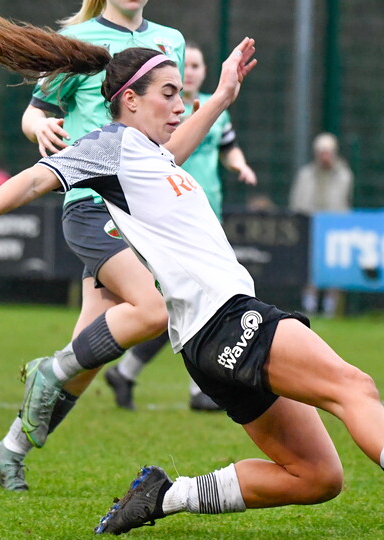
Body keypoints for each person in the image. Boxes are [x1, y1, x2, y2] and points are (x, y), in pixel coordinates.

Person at [0, 7, 384, 537]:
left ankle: (164, 496)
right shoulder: (110, 146)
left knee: (317, 477)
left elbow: (178, 145)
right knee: (353, 386)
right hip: (225, 321)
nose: (180, 105)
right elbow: (38, 177)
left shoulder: (151, 155)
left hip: (207, 343)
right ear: (129, 100)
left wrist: (224, 94)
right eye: (169, 94)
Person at [0, 0, 185, 492]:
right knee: (149, 311)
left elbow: (170, 126)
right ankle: (47, 374)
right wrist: (41, 127)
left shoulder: (170, 40)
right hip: (93, 200)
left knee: (88, 353)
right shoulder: (81, 39)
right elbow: (36, 113)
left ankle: (8, 452)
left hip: (143, 206)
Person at [102, 40, 257, 412]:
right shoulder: (159, 114)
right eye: (187, 65)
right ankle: (200, 388)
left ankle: (128, 372)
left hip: (205, 211)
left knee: (195, 300)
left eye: (198, 66)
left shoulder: (212, 110)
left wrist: (240, 164)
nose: (191, 72)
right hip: (164, 218)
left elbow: (228, 148)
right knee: (193, 298)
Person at [288, 132, 352, 317]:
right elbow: (297, 201)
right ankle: (309, 304)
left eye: (328, 152)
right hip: (310, 226)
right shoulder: (305, 175)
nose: (325, 157)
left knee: (334, 267)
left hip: (334, 228)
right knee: (308, 266)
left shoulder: (344, 176)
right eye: (321, 152)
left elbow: (344, 202)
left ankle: (331, 307)